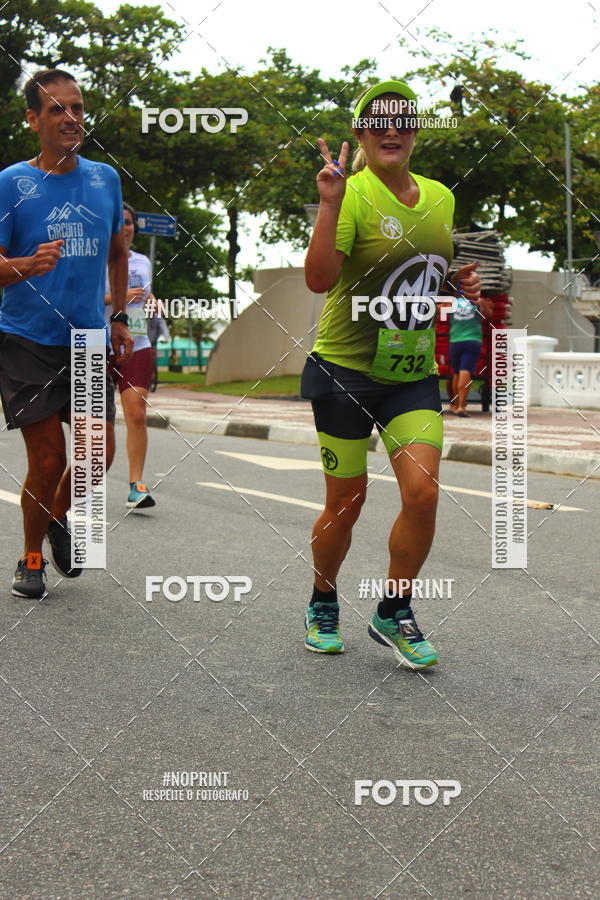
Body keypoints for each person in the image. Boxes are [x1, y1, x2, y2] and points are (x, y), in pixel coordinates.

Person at [302, 80, 480, 666]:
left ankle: (393, 610)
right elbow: (320, 280)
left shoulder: (439, 198)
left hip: (409, 374)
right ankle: (323, 598)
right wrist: (328, 204)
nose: (391, 129)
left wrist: (460, 285)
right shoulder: (349, 194)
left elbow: (426, 269)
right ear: (359, 135)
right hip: (345, 371)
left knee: (423, 493)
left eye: (403, 120)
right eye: (377, 121)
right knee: (346, 503)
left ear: (415, 133)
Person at [0, 68, 132, 599]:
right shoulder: (11, 182)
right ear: (33, 119)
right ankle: (30, 559)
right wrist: (27, 265)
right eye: (57, 109)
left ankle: (56, 518)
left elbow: (120, 255)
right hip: (26, 339)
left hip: (88, 340)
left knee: (98, 455)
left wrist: (120, 317)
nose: (71, 118)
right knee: (50, 457)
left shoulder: (104, 179)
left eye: (77, 107)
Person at [104, 202, 157, 508]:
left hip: (137, 344)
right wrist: (118, 297)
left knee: (136, 413)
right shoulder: (94, 258)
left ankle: (137, 484)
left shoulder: (142, 261)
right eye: (118, 222)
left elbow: (145, 294)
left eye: (128, 222)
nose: (124, 227)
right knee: (96, 424)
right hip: (97, 342)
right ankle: (77, 483)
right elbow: (86, 297)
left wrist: (152, 301)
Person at [448, 289, 493, 416]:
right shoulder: (479, 302)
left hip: (455, 340)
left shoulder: (452, 303)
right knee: (465, 371)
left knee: (456, 373)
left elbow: (437, 312)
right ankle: (462, 406)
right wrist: (486, 304)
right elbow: (489, 315)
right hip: (472, 340)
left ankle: (456, 406)